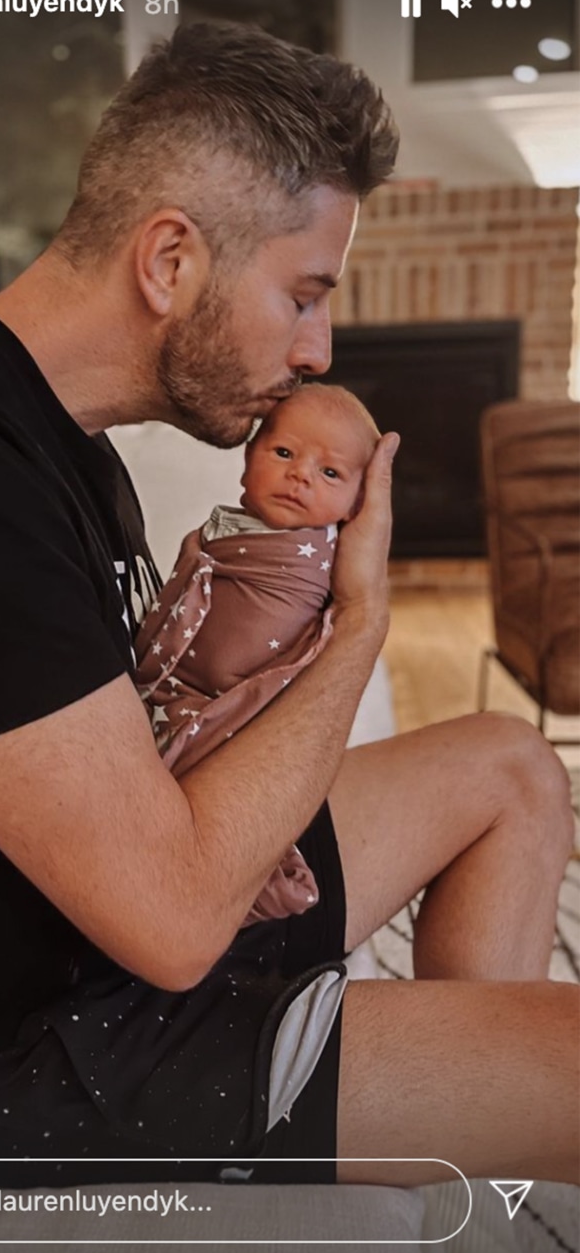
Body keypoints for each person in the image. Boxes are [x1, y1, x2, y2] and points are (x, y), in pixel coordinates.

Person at [0, 23, 577, 1194]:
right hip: (39, 1047)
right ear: (170, 259)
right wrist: (360, 621)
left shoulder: (67, 451)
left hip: (107, 932)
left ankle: (460, 1152)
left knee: (512, 765)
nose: (318, 349)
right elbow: (172, 922)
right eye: (303, 294)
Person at [135, 385, 380, 926]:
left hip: (230, 713)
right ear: (248, 460)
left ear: (358, 504)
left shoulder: (312, 560)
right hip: (173, 696)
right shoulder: (226, 528)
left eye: (331, 473)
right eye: (285, 454)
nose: (302, 476)